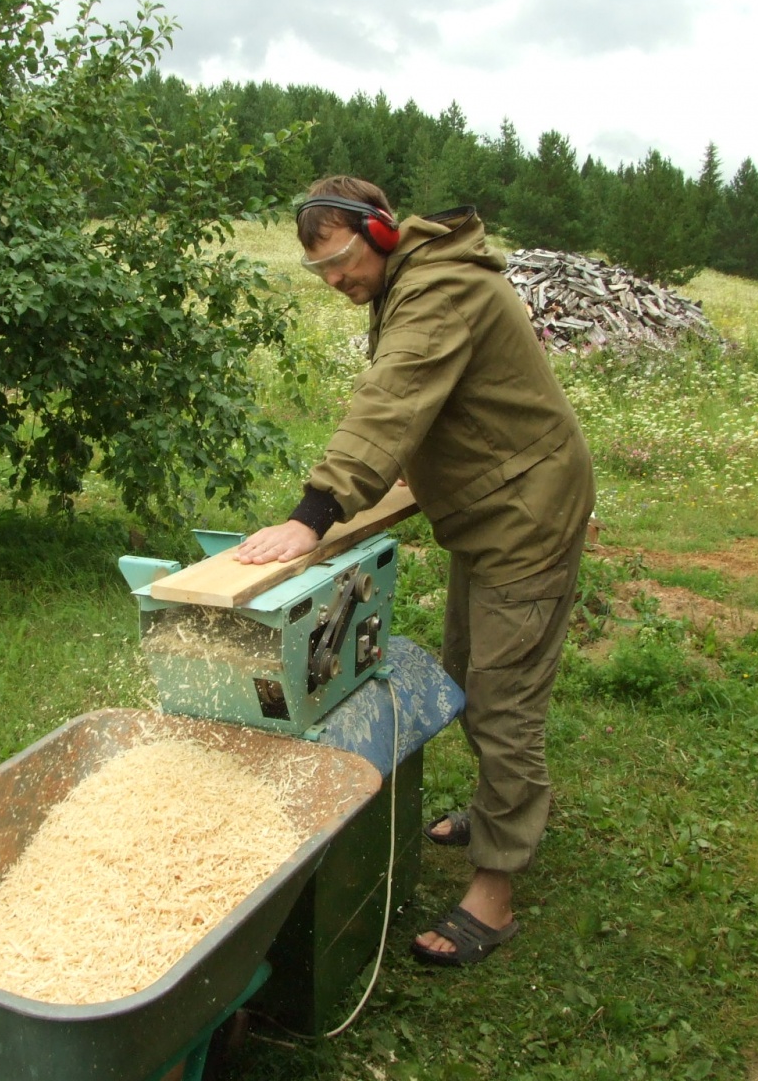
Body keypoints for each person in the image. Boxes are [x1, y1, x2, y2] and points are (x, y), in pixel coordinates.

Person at [235, 176, 594, 967]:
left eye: (340, 261)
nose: (335, 282)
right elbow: (439, 404)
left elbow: (393, 396)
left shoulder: (437, 288)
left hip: (525, 512)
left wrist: (316, 511)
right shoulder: (410, 284)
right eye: (319, 272)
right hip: (495, 502)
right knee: (470, 669)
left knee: (503, 703)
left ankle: (494, 893)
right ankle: (505, 810)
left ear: (384, 232)